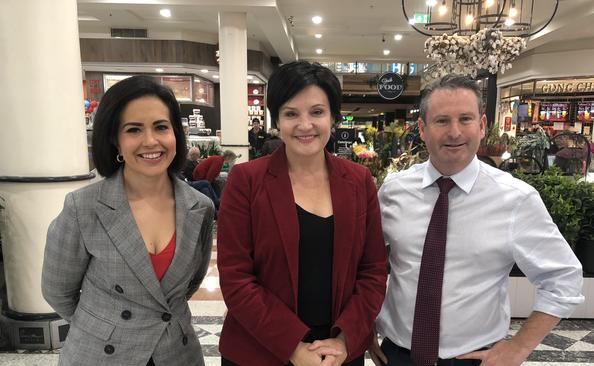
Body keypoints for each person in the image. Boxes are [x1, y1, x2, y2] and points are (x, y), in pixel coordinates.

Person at [369, 74, 584, 366]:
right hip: (396, 356)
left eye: (465, 119)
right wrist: (363, 328)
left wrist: (519, 347)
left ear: (481, 126)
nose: (454, 132)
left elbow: (564, 278)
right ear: (422, 128)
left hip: (473, 359)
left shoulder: (516, 199)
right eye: (442, 120)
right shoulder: (394, 191)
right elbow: (363, 265)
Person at [217, 61, 388, 366]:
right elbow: (236, 278)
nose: (305, 124)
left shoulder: (359, 181)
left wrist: (345, 340)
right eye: (291, 113)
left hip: (337, 351)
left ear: (333, 118)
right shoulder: (247, 180)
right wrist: (293, 348)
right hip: (260, 348)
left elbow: (373, 271)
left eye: (317, 112)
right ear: (277, 120)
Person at [41, 75, 215, 366]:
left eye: (161, 127)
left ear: (176, 134)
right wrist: (105, 325)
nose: (151, 141)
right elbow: (57, 290)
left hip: (177, 353)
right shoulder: (83, 207)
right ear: (115, 139)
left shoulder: (199, 207)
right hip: (102, 354)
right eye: (134, 129)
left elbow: (190, 283)